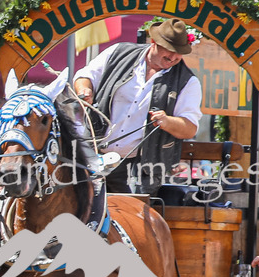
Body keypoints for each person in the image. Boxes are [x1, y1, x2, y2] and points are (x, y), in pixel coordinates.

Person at [74, 18, 202, 194]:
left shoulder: (188, 82)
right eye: (169, 50)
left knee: (129, 216)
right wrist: (85, 91)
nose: (173, 57)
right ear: (154, 42)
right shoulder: (118, 53)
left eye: (179, 53)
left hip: (136, 168)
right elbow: (84, 76)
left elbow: (189, 129)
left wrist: (167, 121)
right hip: (91, 155)